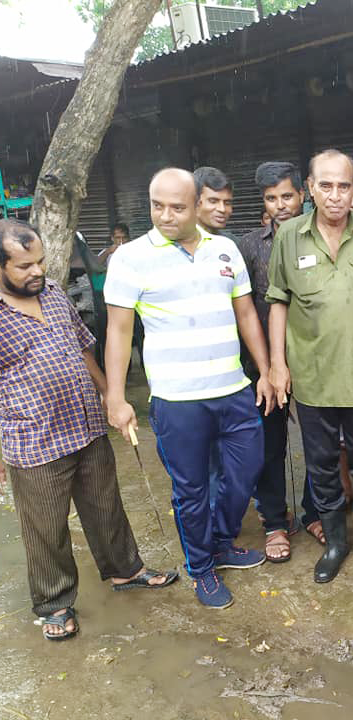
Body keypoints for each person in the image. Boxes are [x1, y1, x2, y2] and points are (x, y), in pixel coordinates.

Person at [104, 168, 276, 609]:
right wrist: (117, 396)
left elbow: (246, 316)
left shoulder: (225, 250)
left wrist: (268, 369)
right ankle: (201, 568)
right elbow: (120, 333)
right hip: (177, 401)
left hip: (233, 390)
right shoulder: (129, 258)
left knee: (244, 472)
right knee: (192, 489)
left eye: (177, 207)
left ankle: (221, 542)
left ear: (197, 204)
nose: (165, 215)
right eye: (156, 205)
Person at [0, 220, 178, 640]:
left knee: (105, 505)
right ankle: (54, 604)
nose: (37, 271)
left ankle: (125, 571)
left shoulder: (56, 294)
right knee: (46, 527)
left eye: (40, 261)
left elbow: (83, 347)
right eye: (24, 266)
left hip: (85, 423)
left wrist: (110, 396)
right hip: (33, 439)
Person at [266, 149, 353, 584]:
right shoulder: (289, 237)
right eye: (325, 185)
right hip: (312, 377)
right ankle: (334, 544)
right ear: (310, 188)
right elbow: (278, 301)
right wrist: (277, 364)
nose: (334, 195)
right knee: (323, 463)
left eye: (343, 186)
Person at [236, 161, 320, 562]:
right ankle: (274, 521)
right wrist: (266, 367)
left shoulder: (320, 238)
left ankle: (315, 512)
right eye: (272, 198)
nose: (281, 205)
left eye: (287, 196)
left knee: (320, 442)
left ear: (302, 195)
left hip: (314, 359)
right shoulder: (249, 245)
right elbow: (246, 311)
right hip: (265, 365)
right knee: (270, 447)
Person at [192, 166, 234, 235]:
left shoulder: (230, 243)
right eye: (213, 201)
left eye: (227, 203)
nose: (222, 209)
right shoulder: (173, 243)